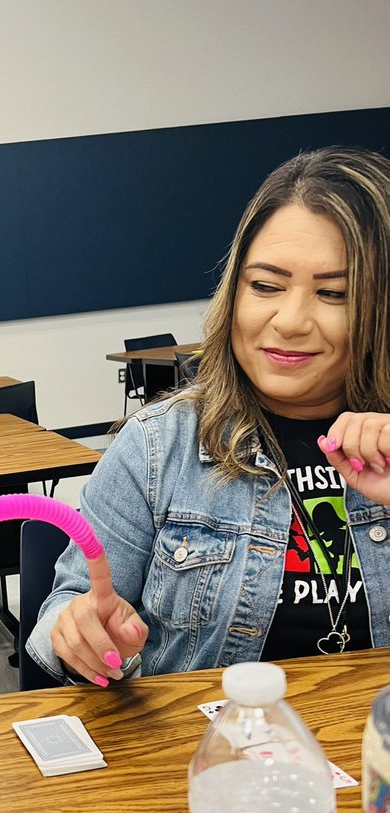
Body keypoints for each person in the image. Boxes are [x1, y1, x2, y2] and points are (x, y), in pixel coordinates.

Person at [27, 146, 390, 687]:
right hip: (208, 759)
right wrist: (85, 635)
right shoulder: (156, 446)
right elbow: (67, 607)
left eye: (333, 293)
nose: (289, 321)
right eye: (264, 285)